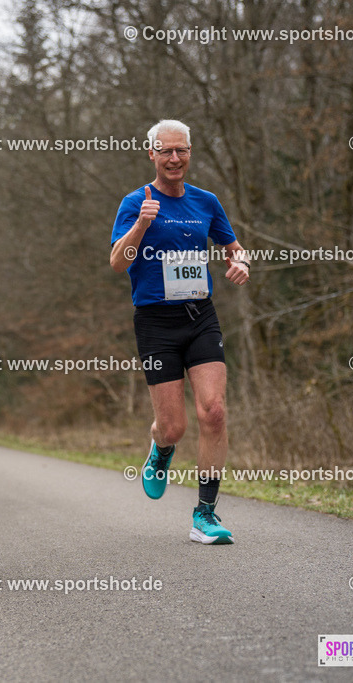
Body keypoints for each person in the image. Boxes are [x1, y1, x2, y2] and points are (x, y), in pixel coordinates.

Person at [109, 119, 251, 545]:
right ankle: (161, 448)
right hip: (155, 322)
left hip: (200, 316)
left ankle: (204, 514)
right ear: (150, 153)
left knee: (215, 411)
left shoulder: (206, 201)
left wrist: (240, 263)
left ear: (190, 152)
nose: (174, 158)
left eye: (181, 151)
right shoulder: (136, 202)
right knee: (174, 428)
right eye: (165, 151)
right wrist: (140, 226)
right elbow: (117, 263)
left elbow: (235, 247)